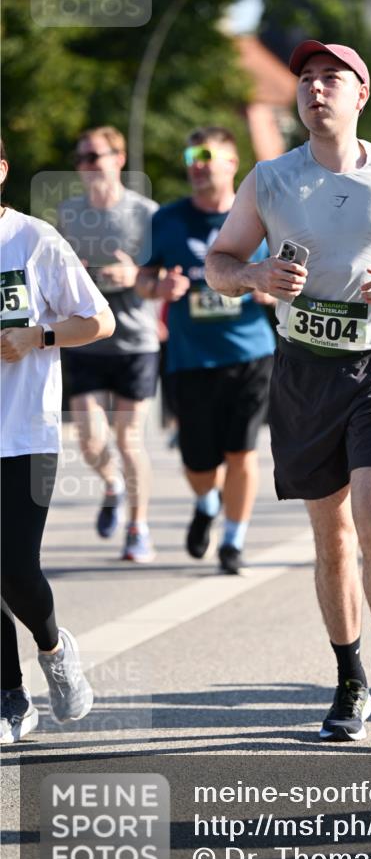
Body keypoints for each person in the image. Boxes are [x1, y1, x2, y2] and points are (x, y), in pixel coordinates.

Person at [205, 40, 371, 742]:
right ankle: (349, 678)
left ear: (360, 95)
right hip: (303, 370)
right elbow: (218, 264)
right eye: (306, 80)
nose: (315, 90)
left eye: (331, 79)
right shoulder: (270, 179)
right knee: (331, 536)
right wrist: (254, 277)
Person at [0, 139, 115, 743]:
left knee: (15, 568)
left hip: (24, 432)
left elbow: (99, 320)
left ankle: (52, 648)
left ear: (1, 171)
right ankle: (10, 697)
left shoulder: (32, 240)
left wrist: (38, 337)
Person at [136, 127, 275, 574]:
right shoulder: (167, 219)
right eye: (190, 155)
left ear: (232, 164)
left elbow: (293, 274)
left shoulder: (262, 216)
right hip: (189, 357)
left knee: (242, 453)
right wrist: (159, 286)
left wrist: (273, 291)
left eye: (206, 155)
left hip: (250, 354)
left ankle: (233, 542)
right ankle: (206, 501)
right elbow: (141, 279)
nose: (196, 164)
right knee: (198, 460)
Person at [57, 126, 159, 562]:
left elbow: (165, 278)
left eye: (94, 156)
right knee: (90, 441)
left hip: (134, 338)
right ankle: (112, 485)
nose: (87, 165)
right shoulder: (69, 213)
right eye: (81, 158)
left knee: (128, 438)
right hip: (85, 337)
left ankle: (138, 527)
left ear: (118, 159)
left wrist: (134, 276)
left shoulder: (147, 213)